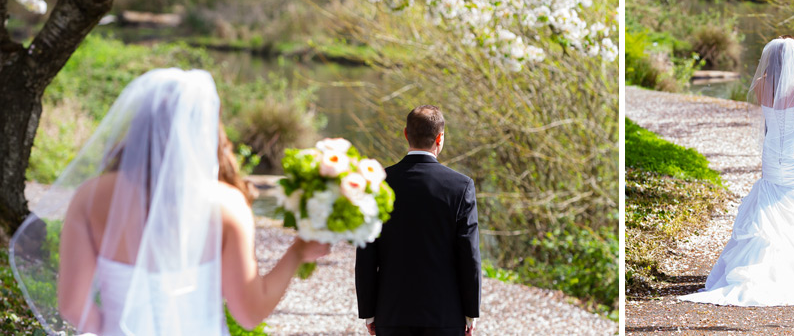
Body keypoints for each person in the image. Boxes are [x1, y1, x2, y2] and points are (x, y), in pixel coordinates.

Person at [10, 68, 330, 335]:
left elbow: (71, 306)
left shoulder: (89, 197)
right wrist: (297, 253)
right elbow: (248, 313)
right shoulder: (226, 205)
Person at [677, 37, 794, 306]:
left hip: (772, 154)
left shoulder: (760, 84)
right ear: (793, 58)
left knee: (772, 202)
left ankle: (768, 262)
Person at [355, 105, 481, 336]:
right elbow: (469, 255)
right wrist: (470, 312)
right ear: (440, 138)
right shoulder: (460, 187)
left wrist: (369, 311)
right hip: (445, 313)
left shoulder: (377, 184)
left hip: (391, 311)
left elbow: (366, 253)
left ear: (405, 134)